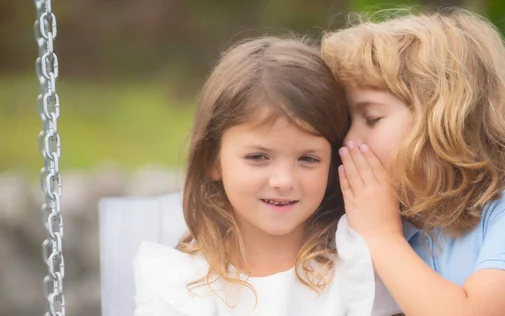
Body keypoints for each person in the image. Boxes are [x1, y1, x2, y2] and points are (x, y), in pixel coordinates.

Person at [321, 7, 505, 316]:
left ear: (446, 119)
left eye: (371, 118)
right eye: (347, 123)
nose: (349, 140)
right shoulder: (399, 224)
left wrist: (382, 237)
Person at [132, 36, 396, 315]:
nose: (283, 181)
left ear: (332, 165)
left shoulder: (358, 269)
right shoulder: (178, 285)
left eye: (308, 159)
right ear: (213, 159)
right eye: (258, 157)